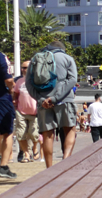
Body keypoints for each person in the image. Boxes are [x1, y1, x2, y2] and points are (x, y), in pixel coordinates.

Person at [26, 40, 79, 169]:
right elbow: (72, 80)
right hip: (64, 100)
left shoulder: (35, 59)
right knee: (70, 129)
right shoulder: (67, 58)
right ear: (62, 49)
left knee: (47, 134)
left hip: (43, 103)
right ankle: (65, 162)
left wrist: (41, 100)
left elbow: (28, 84)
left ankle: (49, 169)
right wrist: (55, 98)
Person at [0, 31, 17, 180]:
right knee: (7, 132)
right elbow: (8, 79)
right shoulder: (0, 57)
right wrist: (12, 89)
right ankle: (4, 166)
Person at [12, 60, 40, 163]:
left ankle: (35, 149)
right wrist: (14, 102)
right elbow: (15, 94)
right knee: (20, 134)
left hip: (34, 112)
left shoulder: (36, 81)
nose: (23, 70)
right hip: (21, 112)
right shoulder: (19, 81)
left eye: (25, 68)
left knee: (34, 134)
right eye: (22, 68)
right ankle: (26, 154)